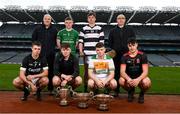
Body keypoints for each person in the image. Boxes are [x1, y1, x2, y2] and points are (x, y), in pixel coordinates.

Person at [108, 14, 136, 96]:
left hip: (127, 55)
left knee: (129, 72)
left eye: (122, 18)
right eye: (119, 18)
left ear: (125, 20)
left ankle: (131, 91)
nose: (120, 20)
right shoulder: (112, 31)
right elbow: (110, 43)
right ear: (116, 20)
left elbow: (133, 41)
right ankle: (116, 90)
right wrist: (114, 49)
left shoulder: (130, 30)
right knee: (116, 72)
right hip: (116, 55)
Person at [32, 14, 60, 94]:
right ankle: (35, 88)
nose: (47, 20)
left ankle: (51, 89)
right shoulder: (37, 29)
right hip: (39, 55)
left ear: (51, 20)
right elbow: (33, 41)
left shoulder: (54, 30)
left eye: (49, 19)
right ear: (43, 19)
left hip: (51, 55)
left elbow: (57, 42)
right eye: (45, 19)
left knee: (51, 72)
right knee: (37, 71)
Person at [79, 11, 105, 92]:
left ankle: (96, 88)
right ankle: (86, 87)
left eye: (92, 17)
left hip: (96, 54)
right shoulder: (83, 29)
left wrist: (100, 53)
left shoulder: (100, 29)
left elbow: (101, 43)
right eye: (89, 17)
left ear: (95, 18)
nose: (91, 19)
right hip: (87, 54)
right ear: (87, 19)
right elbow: (81, 42)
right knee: (86, 72)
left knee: (97, 72)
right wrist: (80, 51)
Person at [119, 39, 151, 103]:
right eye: (130, 46)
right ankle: (131, 91)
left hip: (140, 78)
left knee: (147, 82)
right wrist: (128, 79)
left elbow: (145, 71)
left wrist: (138, 80)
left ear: (136, 45)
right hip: (129, 78)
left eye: (133, 45)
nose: (132, 47)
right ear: (127, 46)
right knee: (121, 81)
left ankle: (142, 93)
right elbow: (122, 71)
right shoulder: (124, 56)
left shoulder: (142, 55)